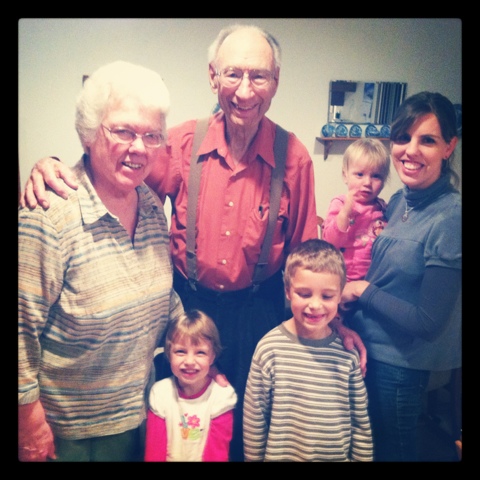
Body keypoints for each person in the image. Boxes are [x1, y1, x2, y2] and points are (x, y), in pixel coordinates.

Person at [20, 24, 367, 461]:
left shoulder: (294, 156)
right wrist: (52, 166)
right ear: (213, 77)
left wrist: (332, 324)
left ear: (276, 82)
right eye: (233, 74)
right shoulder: (180, 142)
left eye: (259, 76)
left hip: (256, 315)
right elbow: (116, 174)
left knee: (244, 428)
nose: (245, 90)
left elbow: (307, 261)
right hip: (186, 309)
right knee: (178, 430)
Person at [18, 61, 185, 462]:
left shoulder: (150, 206)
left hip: (139, 413)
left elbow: (159, 298)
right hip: (69, 432)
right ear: (89, 134)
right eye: (123, 131)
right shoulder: (49, 215)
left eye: (151, 135)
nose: (138, 147)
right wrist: (28, 423)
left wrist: (198, 345)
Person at [340, 91, 462, 461]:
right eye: (403, 137)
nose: (410, 150)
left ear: (449, 147)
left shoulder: (450, 217)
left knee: (393, 451)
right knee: (365, 448)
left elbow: (428, 321)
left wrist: (361, 290)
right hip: (367, 347)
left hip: (401, 364)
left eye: (428, 140)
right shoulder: (398, 201)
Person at [243, 239, 373, 462]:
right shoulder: (269, 349)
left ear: (340, 295)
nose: (315, 305)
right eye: (304, 294)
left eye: (327, 296)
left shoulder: (347, 353)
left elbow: (360, 422)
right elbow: (255, 418)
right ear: (288, 291)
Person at [145, 309, 237, 462]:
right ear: (168, 354)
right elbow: (154, 452)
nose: (189, 361)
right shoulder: (160, 393)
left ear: (212, 357)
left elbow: (217, 455)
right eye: (181, 351)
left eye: (200, 352)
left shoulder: (222, 396)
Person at [322, 138, 390, 281]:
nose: (367, 182)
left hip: (373, 280)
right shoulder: (340, 203)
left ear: (383, 181)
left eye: (376, 176)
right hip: (341, 278)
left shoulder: (383, 207)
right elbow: (330, 243)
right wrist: (345, 213)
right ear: (345, 175)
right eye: (359, 174)